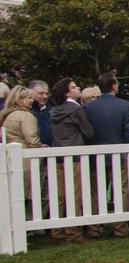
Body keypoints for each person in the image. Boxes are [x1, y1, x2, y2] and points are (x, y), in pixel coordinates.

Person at [83, 72, 129, 238]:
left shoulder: (88, 107)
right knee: (121, 191)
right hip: (118, 154)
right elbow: (128, 134)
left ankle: (94, 228)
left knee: (95, 192)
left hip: (94, 154)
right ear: (113, 85)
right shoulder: (124, 105)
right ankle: (121, 228)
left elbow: (87, 132)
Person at [48, 77, 92, 243]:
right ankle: (73, 232)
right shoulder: (76, 110)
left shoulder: (54, 111)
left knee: (59, 195)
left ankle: (57, 231)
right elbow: (88, 132)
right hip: (74, 156)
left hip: (57, 156)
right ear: (67, 92)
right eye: (74, 87)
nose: (78, 88)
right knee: (75, 194)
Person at [27, 80, 53, 146]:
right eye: (41, 93)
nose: (45, 96)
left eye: (47, 94)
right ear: (30, 93)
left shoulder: (53, 110)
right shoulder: (27, 110)